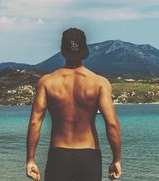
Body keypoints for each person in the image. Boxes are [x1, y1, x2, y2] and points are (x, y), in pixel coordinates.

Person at [26, 28, 122, 181]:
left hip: (58, 155)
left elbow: (35, 122)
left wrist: (30, 159)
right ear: (84, 51)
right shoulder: (99, 83)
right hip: (89, 156)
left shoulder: (47, 82)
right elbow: (111, 124)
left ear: (63, 51)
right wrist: (116, 159)